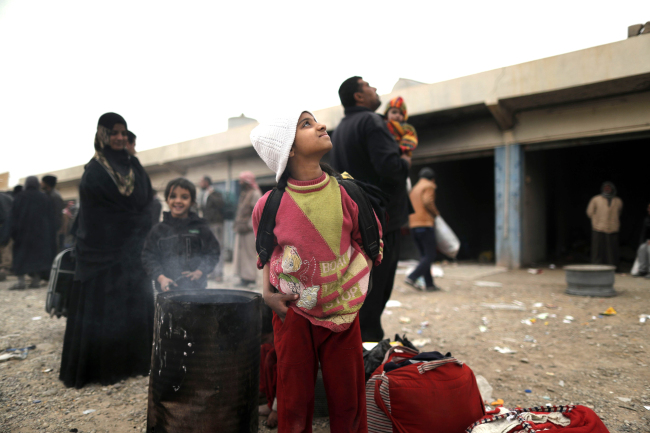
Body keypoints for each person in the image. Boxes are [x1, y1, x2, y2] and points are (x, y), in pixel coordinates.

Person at [250, 110, 382, 432]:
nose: (321, 125)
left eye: (314, 120)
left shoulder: (348, 193)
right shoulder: (269, 205)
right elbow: (267, 252)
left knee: (348, 401)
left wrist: (354, 294)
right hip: (293, 314)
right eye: (306, 124)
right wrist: (268, 294)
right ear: (289, 150)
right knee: (293, 402)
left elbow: (369, 245)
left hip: (343, 315)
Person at [59, 112, 155, 389]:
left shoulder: (133, 165)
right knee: (104, 309)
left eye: (123, 133)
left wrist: (137, 227)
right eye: (114, 132)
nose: (120, 138)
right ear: (102, 135)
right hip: (102, 253)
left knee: (133, 307)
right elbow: (98, 213)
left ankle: (135, 363)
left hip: (133, 251)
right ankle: (103, 369)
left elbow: (147, 202)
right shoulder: (95, 170)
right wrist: (129, 221)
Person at [331, 76, 411, 342]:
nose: (375, 88)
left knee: (358, 285)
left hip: (356, 220)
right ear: (358, 96)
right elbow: (391, 169)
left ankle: (354, 341)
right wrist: (406, 159)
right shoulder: (372, 121)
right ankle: (369, 343)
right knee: (379, 288)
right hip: (383, 220)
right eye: (368, 85)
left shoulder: (341, 129)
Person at [141, 178, 220, 292]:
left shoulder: (200, 228)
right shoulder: (158, 230)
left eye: (184, 197)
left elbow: (213, 252)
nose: (178, 201)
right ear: (167, 200)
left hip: (197, 290)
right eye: (173, 196)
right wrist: (161, 278)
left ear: (192, 201)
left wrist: (200, 271)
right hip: (167, 291)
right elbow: (148, 257)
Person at [0, 176, 56, 290]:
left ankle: (21, 282)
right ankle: (36, 281)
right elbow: (52, 218)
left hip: (23, 235)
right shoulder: (44, 198)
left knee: (21, 257)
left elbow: (12, 217)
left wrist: (6, 235)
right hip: (41, 235)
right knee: (38, 259)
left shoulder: (20, 197)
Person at [405, 167, 442, 291]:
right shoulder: (429, 186)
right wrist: (436, 214)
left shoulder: (414, 188)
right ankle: (412, 277)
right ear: (432, 178)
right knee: (430, 255)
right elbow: (428, 201)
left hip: (414, 225)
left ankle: (429, 284)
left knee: (424, 256)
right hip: (425, 224)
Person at [233, 171, 262, 287]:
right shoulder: (245, 193)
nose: (240, 183)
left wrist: (250, 226)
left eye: (242, 180)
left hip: (250, 230)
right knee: (241, 254)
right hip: (242, 229)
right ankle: (243, 278)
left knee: (250, 254)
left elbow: (258, 212)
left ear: (247, 181)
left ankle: (251, 279)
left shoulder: (255, 193)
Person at [586, 182, 623, 268]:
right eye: (605, 187)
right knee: (598, 249)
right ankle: (596, 267)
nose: (607, 189)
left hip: (612, 228)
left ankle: (612, 267)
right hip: (599, 227)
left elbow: (619, 212)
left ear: (612, 189)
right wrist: (596, 221)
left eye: (609, 188)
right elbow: (589, 212)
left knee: (612, 250)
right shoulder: (596, 199)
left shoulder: (618, 200)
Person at [197, 176, 225, 281]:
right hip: (207, 225)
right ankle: (212, 272)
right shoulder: (203, 194)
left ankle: (219, 274)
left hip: (216, 224)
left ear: (206, 182)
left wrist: (211, 194)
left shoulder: (215, 193)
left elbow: (220, 204)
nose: (200, 183)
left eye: (201, 182)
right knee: (209, 249)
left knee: (218, 248)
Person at [41, 175, 65, 252]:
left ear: (46, 184)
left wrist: (55, 227)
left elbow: (57, 214)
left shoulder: (55, 196)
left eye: (42, 182)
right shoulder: (46, 194)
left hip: (51, 228)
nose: (41, 183)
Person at [632, 203, 650, 278]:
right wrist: (641, 243)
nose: (649, 209)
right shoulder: (647, 219)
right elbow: (643, 233)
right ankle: (642, 270)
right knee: (642, 248)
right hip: (648, 241)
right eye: (648, 207)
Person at [0, 191, 13, 281]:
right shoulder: (9, 198)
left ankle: (3, 269)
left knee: (3, 247)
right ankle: (4, 269)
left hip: (2, 224)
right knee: (7, 247)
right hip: (10, 224)